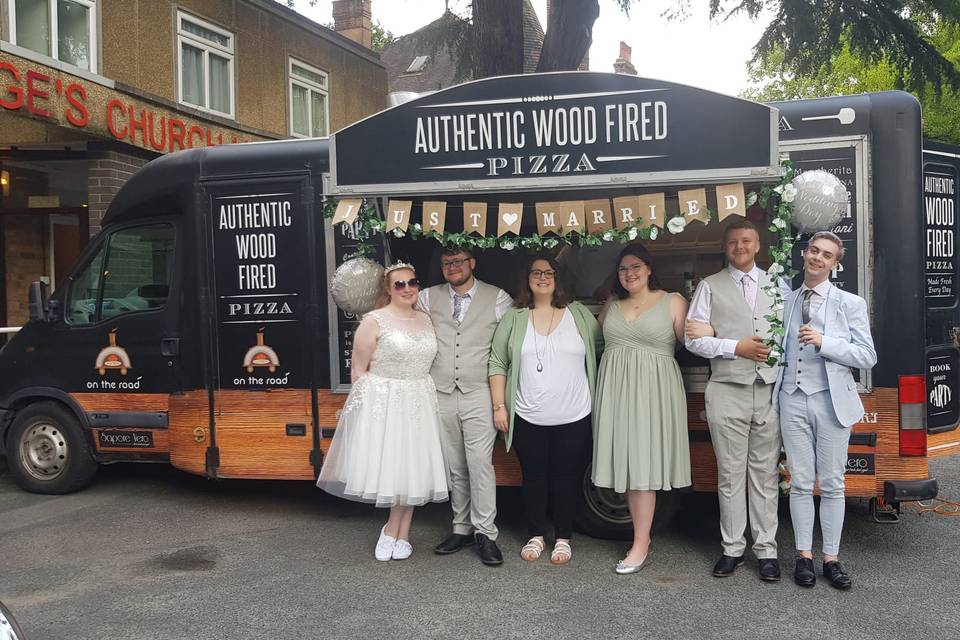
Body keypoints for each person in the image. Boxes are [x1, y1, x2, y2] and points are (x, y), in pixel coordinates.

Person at [317, 263, 448, 562]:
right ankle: (390, 530)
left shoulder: (426, 320)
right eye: (399, 284)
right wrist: (369, 414)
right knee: (396, 466)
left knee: (414, 467)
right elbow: (359, 372)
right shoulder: (374, 321)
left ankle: (403, 533)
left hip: (419, 400)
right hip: (387, 402)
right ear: (388, 290)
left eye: (412, 282)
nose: (407, 288)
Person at [684, 218, 790, 582]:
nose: (740, 247)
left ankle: (766, 550)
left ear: (758, 245)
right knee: (729, 475)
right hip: (727, 390)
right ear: (725, 247)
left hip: (768, 392)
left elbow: (788, 337)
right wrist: (734, 346)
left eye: (746, 241)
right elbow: (693, 339)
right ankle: (732, 548)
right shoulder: (709, 287)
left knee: (764, 475)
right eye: (733, 242)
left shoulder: (778, 286)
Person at [773, 231, 876, 589]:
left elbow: (867, 355)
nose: (818, 258)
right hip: (791, 397)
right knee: (800, 483)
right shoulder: (787, 298)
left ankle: (831, 559)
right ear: (805, 254)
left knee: (832, 483)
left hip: (831, 400)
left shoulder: (850, 303)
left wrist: (825, 342)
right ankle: (803, 556)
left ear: (835, 263)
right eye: (814, 251)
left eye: (827, 255)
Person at [488, 255, 602, 565]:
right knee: (534, 477)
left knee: (567, 477)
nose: (542, 277)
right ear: (527, 278)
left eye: (549, 272)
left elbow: (601, 351)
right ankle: (536, 534)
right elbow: (497, 362)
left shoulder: (578, 315)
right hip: (526, 414)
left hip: (575, 414)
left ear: (559, 278)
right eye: (536, 272)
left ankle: (563, 537)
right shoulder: (514, 318)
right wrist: (500, 406)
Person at [592, 243, 692, 574]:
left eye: (635, 266)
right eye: (623, 269)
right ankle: (641, 539)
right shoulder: (612, 304)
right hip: (617, 391)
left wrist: (714, 330)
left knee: (643, 465)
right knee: (630, 464)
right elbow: (590, 339)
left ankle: (640, 542)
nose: (629, 273)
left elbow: (694, 342)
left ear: (649, 269)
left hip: (654, 392)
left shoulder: (673, 301)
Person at [418, 247, 513, 566]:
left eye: (459, 261)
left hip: (479, 393)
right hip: (441, 392)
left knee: (479, 464)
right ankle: (461, 527)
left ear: (472, 263)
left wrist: (502, 400)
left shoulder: (498, 297)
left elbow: (508, 345)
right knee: (454, 465)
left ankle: (485, 533)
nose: (453, 267)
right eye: (446, 262)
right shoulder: (427, 298)